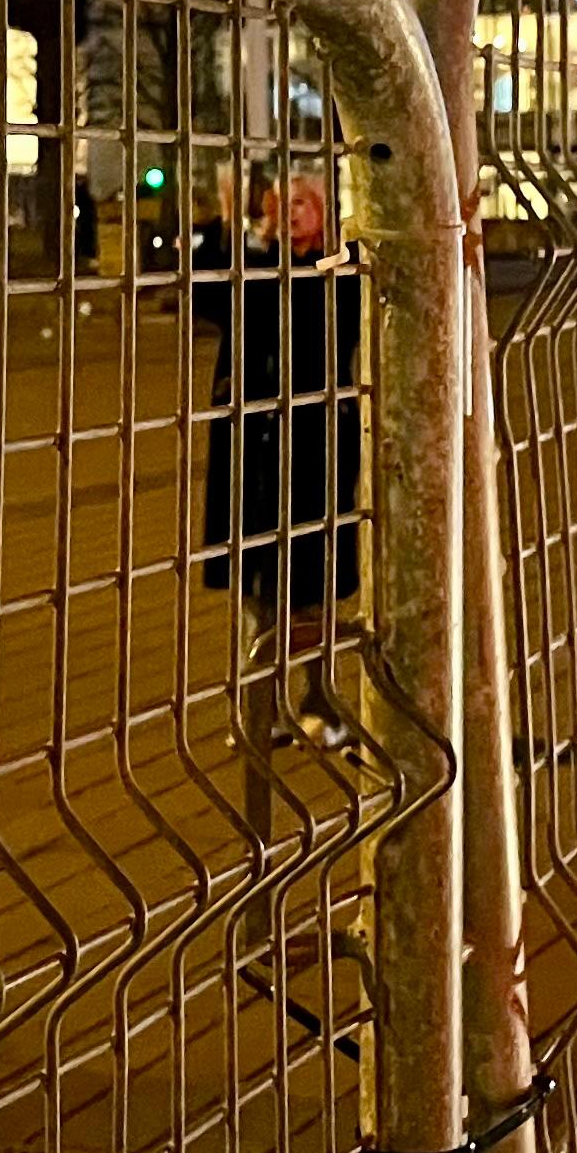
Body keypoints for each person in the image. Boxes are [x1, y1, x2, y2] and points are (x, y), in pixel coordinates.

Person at [192, 167, 367, 739]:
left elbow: (329, 320)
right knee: (259, 586)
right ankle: (257, 711)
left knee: (313, 583)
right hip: (255, 447)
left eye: (303, 203)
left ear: (324, 213)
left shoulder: (339, 273)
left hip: (316, 443)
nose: (289, 212)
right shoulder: (253, 266)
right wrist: (224, 224)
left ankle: (319, 699)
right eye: (281, 202)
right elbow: (211, 296)